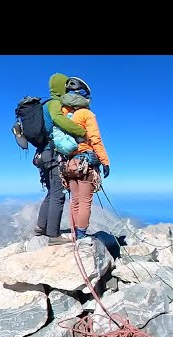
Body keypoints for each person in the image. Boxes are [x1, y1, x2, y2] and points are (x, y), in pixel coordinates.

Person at [34, 73, 88, 244]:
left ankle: (40, 227)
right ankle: (53, 236)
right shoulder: (55, 103)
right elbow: (59, 120)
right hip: (52, 154)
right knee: (58, 194)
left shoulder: (43, 105)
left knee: (51, 192)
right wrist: (80, 132)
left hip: (41, 154)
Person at [58, 76, 111, 241]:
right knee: (85, 201)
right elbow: (95, 139)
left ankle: (74, 233)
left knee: (74, 200)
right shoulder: (86, 114)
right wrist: (105, 161)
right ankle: (81, 235)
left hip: (68, 164)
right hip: (84, 162)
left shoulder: (63, 115)